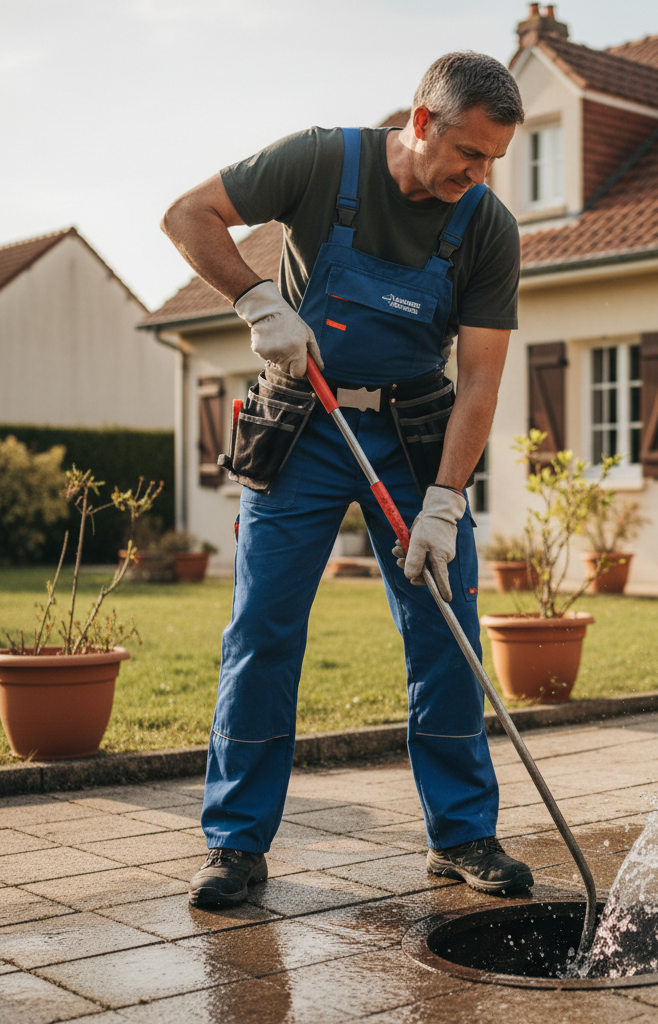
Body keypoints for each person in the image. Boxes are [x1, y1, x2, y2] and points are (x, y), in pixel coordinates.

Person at [161, 51, 533, 909]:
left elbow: (479, 378)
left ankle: (463, 834)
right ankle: (235, 844)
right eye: (468, 155)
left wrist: (443, 501)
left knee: (447, 629)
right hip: (303, 423)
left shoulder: (485, 226)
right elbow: (188, 214)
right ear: (420, 121)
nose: (479, 176)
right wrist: (257, 300)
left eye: (492, 162)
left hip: (414, 435)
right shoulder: (323, 160)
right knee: (263, 630)